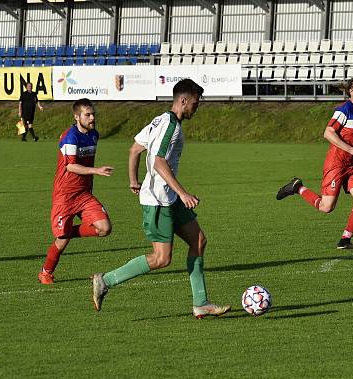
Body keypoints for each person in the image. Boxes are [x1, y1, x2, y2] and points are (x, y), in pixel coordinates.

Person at [91, 79, 230, 319]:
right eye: (195, 104)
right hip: (158, 201)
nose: (197, 108)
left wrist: (134, 180)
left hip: (167, 198)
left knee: (198, 241)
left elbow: (135, 149)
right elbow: (158, 162)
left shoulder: (160, 120)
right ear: (183, 101)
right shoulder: (170, 127)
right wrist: (183, 193)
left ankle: (201, 303)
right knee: (161, 258)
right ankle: (106, 280)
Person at [276, 77, 353, 249]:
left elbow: (349, 141)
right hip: (336, 164)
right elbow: (328, 133)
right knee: (326, 207)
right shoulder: (344, 110)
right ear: (351, 91)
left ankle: (345, 240)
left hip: (350, 165)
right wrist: (351, 150)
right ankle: (297, 187)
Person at [39, 98, 114, 284]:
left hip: (84, 194)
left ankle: (65, 231)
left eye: (93, 114)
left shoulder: (94, 135)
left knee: (104, 228)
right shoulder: (70, 136)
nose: (92, 117)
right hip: (64, 195)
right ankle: (45, 273)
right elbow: (71, 167)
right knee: (61, 241)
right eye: (87, 115)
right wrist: (96, 171)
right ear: (76, 116)